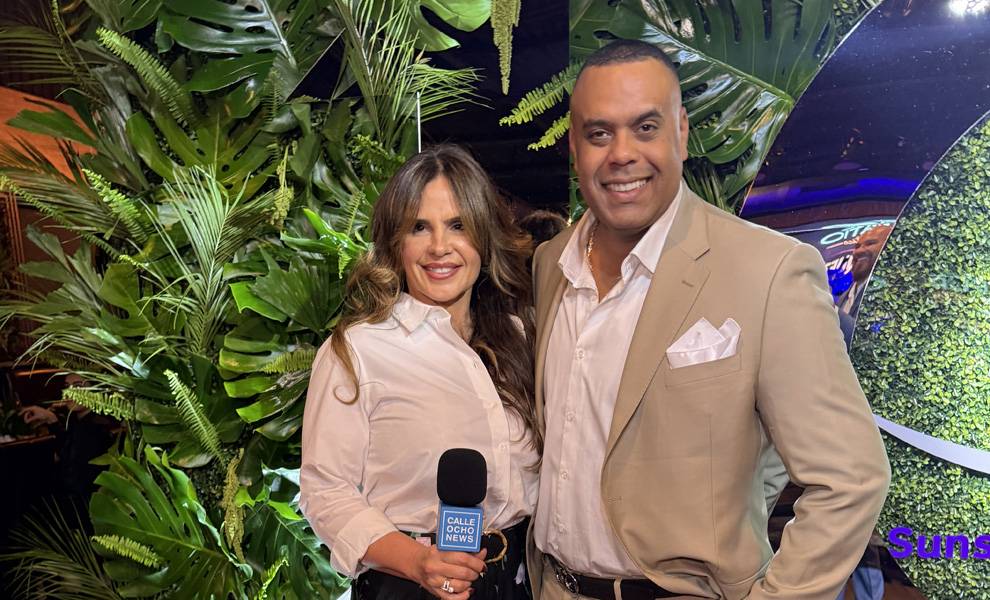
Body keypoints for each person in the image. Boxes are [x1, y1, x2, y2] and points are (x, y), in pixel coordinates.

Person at [527, 40, 891, 600]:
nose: (621, 153)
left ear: (681, 131)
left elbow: (850, 479)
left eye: (645, 127)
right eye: (599, 133)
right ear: (574, 146)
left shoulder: (767, 271)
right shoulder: (551, 263)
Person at [301, 144, 539, 600]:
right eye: (418, 228)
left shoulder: (520, 337)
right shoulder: (358, 350)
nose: (439, 247)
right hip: (408, 584)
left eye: (458, 226)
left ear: (483, 237)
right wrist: (417, 562)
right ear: (395, 242)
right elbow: (324, 491)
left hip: (518, 581)